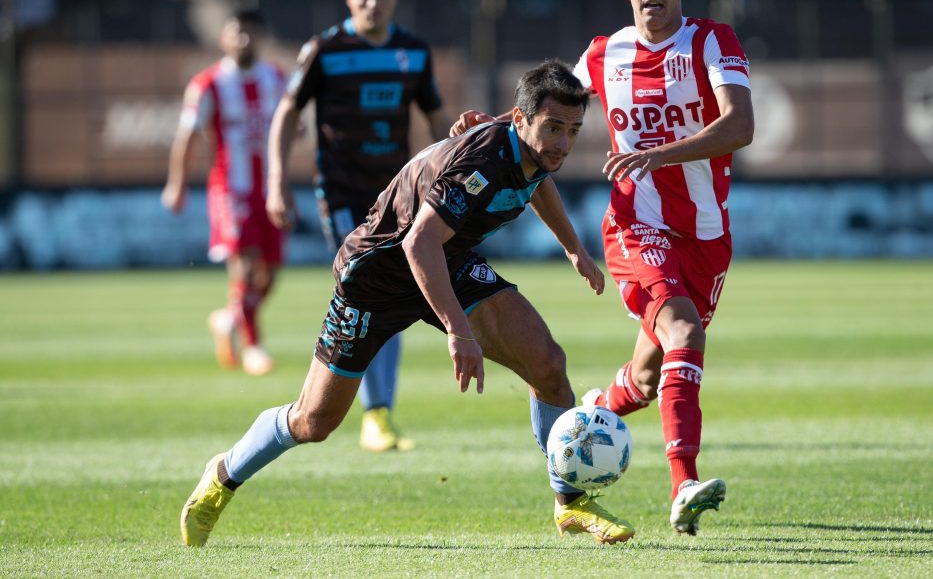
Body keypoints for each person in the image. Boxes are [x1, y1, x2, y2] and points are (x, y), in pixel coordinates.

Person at [180, 60, 636, 547]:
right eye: (552, 129)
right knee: (314, 421)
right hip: (375, 278)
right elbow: (417, 244)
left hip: (448, 260)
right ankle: (223, 475)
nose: (562, 144)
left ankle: (570, 503)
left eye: (572, 130)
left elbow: (536, 180)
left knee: (547, 365)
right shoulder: (482, 160)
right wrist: (460, 332)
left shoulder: (527, 145)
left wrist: (573, 247)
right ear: (520, 120)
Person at [452, 0, 755, 536]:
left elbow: (740, 125)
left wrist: (660, 153)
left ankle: (593, 414)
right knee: (684, 331)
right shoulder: (603, 53)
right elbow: (550, 104)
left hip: (705, 234)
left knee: (647, 377)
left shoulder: (710, 41)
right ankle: (684, 483)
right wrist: (495, 123)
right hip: (634, 227)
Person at [266, 0, 451, 453]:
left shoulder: (412, 52)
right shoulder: (325, 49)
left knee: (386, 294)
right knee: (376, 287)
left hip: (399, 195)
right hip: (344, 196)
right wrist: (277, 179)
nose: (372, 2)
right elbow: (287, 111)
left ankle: (377, 412)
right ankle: (375, 414)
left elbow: (438, 120)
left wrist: (449, 178)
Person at [162, 6, 286, 377]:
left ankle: (229, 318)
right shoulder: (208, 84)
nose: (244, 39)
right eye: (237, 32)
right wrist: (177, 184)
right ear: (223, 38)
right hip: (231, 190)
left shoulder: (278, 79)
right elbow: (186, 136)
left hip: (270, 190)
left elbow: (291, 127)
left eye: (250, 32)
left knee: (272, 271)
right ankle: (253, 347)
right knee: (246, 266)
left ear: (261, 36)